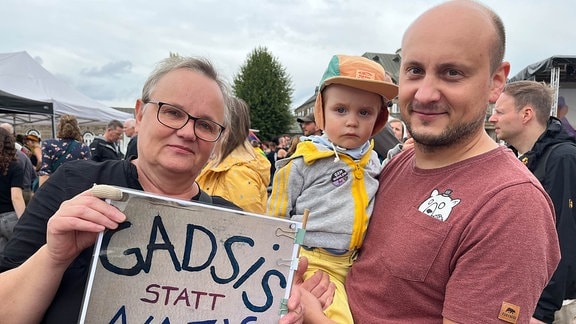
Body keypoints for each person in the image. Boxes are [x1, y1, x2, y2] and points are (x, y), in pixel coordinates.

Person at [289, 1, 561, 323]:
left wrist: (311, 315)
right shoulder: (392, 166)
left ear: (495, 82)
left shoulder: (511, 205)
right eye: (415, 70)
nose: (425, 94)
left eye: (452, 73)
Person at [0, 56, 270, 323]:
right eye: (173, 112)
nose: (188, 132)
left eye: (206, 125)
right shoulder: (75, 185)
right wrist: (53, 257)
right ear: (139, 114)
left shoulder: (233, 228)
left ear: (217, 140)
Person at [268, 54, 398, 323]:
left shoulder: (373, 160)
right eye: (340, 110)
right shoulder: (305, 161)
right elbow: (274, 217)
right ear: (321, 112)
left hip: (355, 263)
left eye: (364, 112)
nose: (352, 121)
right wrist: (280, 264)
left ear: (378, 119)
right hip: (313, 260)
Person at [489, 80, 576, 324]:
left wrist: (542, 310)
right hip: (529, 298)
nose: (493, 118)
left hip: (557, 306)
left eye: (500, 111)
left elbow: (563, 237)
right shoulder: (522, 160)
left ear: (526, 114)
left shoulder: (562, 159)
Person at [197, 96, 271, 214]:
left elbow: (247, 227)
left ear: (225, 130)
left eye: (207, 125)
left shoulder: (238, 174)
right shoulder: (220, 167)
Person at [38, 114, 91, 187]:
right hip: (75, 189)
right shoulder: (84, 148)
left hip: (54, 188)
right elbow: (87, 173)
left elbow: (45, 173)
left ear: (59, 127)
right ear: (77, 128)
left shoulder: (48, 144)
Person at [0, 127, 25, 253]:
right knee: (19, 255)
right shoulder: (15, 166)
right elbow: (16, 197)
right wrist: (25, 221)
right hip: (9, 216)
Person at [0, 123, 36, 203]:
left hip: (17, 191)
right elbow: (33, 175)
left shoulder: (19, 153)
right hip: (23, 189)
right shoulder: (21, 153)